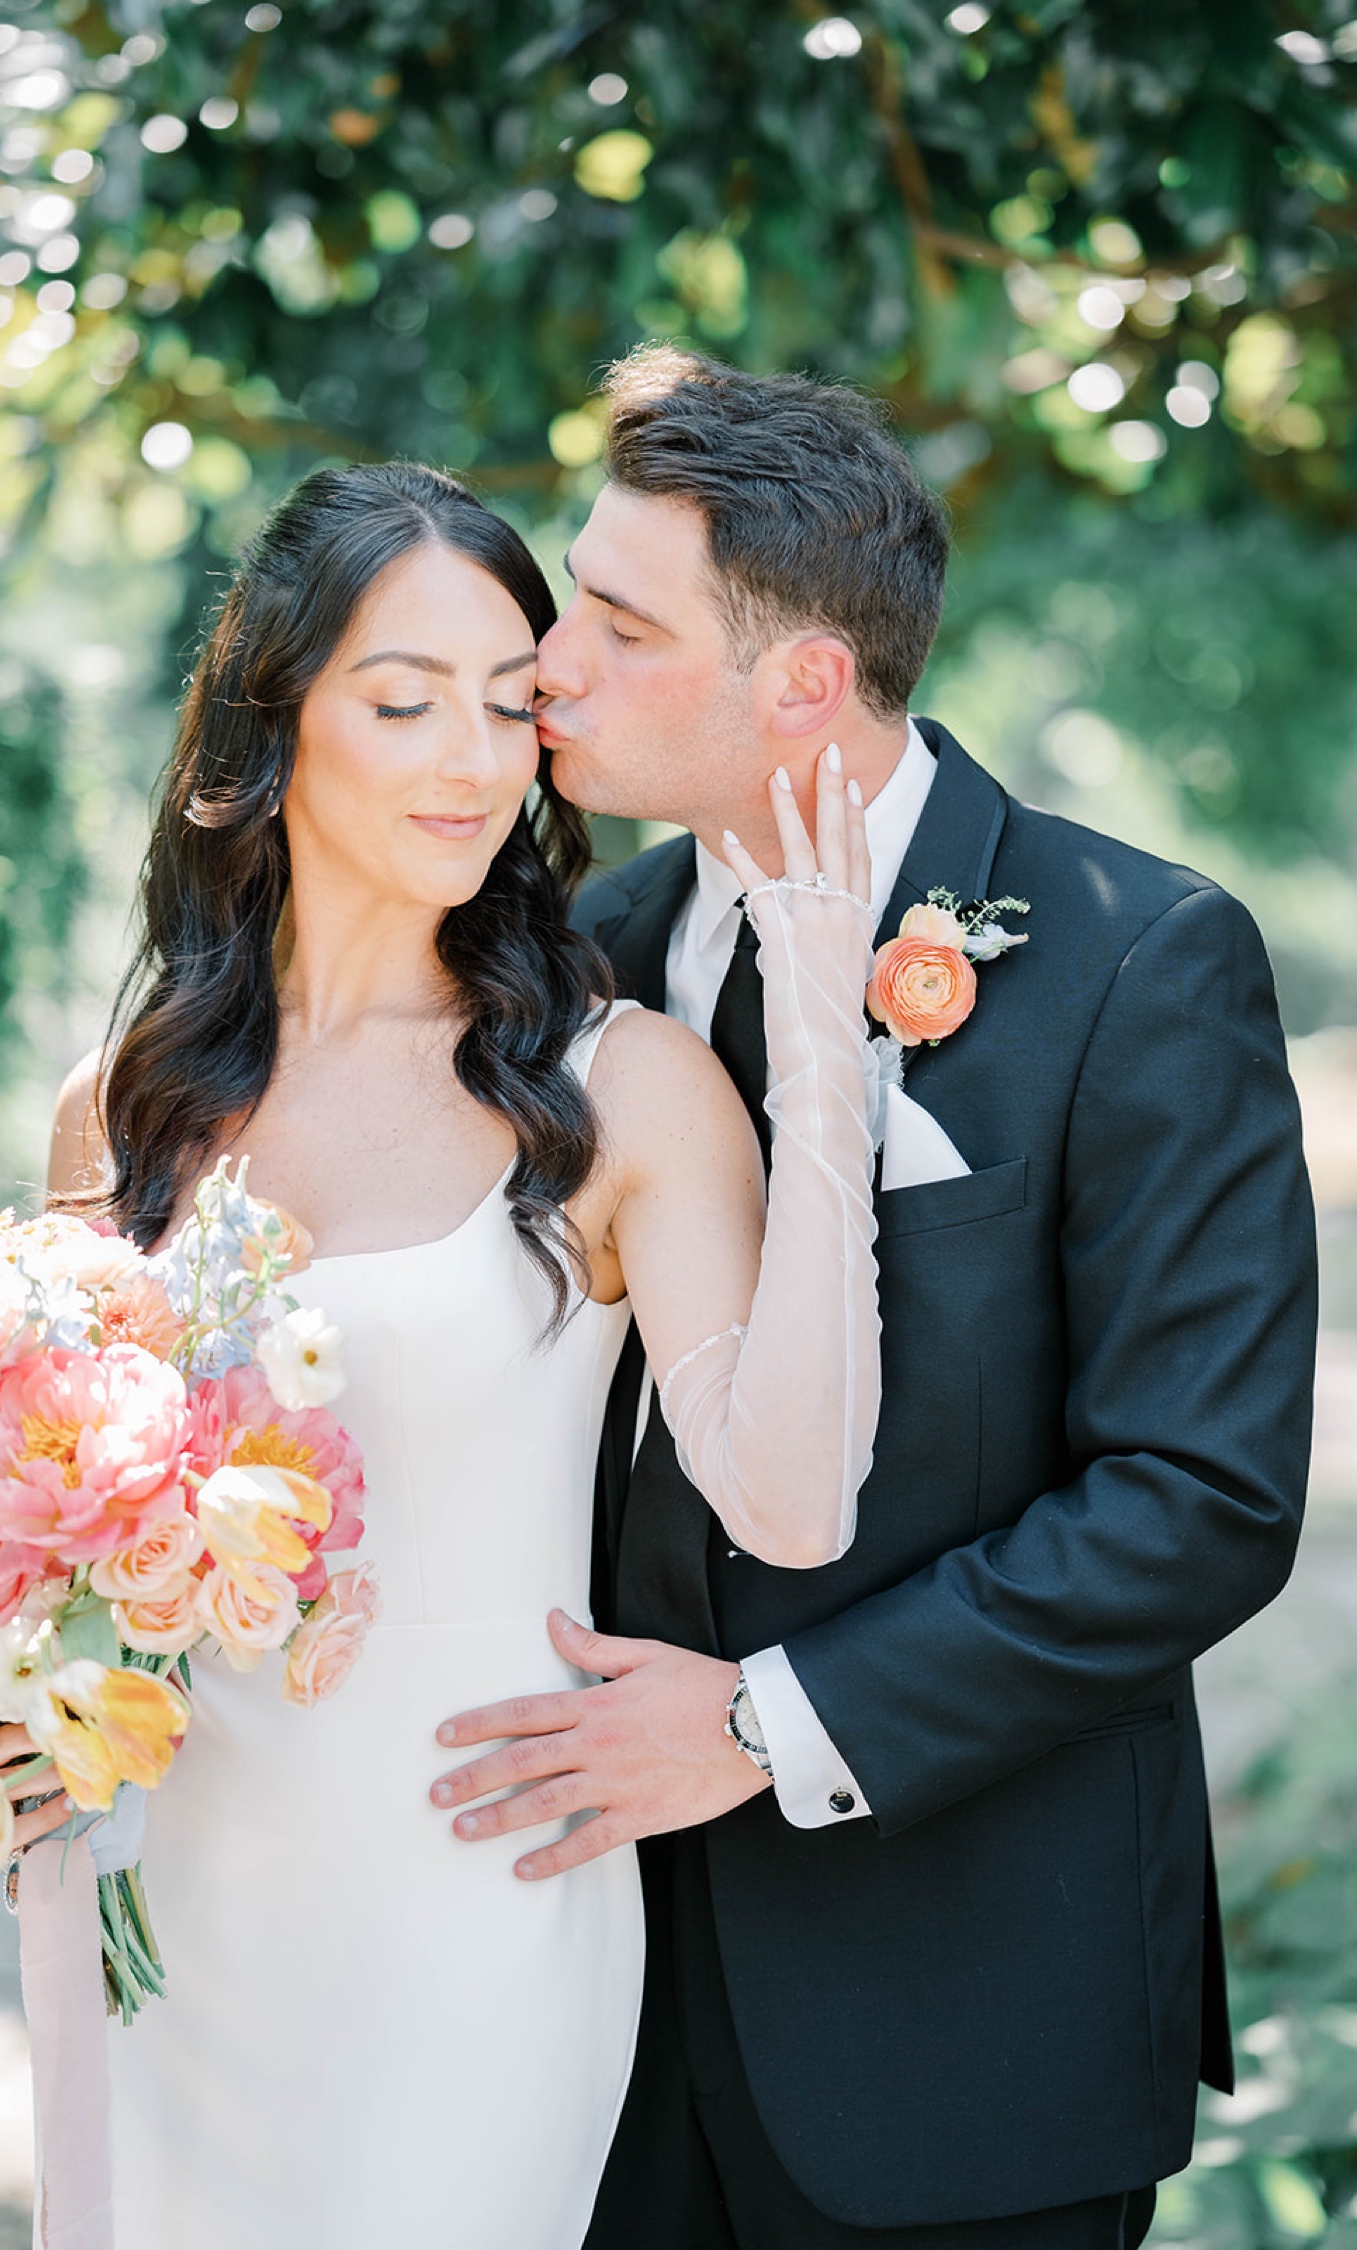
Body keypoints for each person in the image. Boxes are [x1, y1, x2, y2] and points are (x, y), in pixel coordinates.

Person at [429, 348, 1320, 2250]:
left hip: (967, 2022)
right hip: (584, 2007)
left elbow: (1200, 1499)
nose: (546, 662)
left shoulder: (1134, 962)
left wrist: (762, 1725)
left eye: (614, 617)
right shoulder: (582, 963)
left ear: (802, 683)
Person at [14, 458, 884, 2250]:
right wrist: (15, 1695)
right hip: (164, 1876)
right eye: (405, 704)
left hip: (478, 1872)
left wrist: (815, 1029)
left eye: (511, 706)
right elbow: (45, 1538)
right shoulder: (125, 1113)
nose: (475, 762)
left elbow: (793, 1505)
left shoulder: (616, 1083)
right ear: (268, 733)